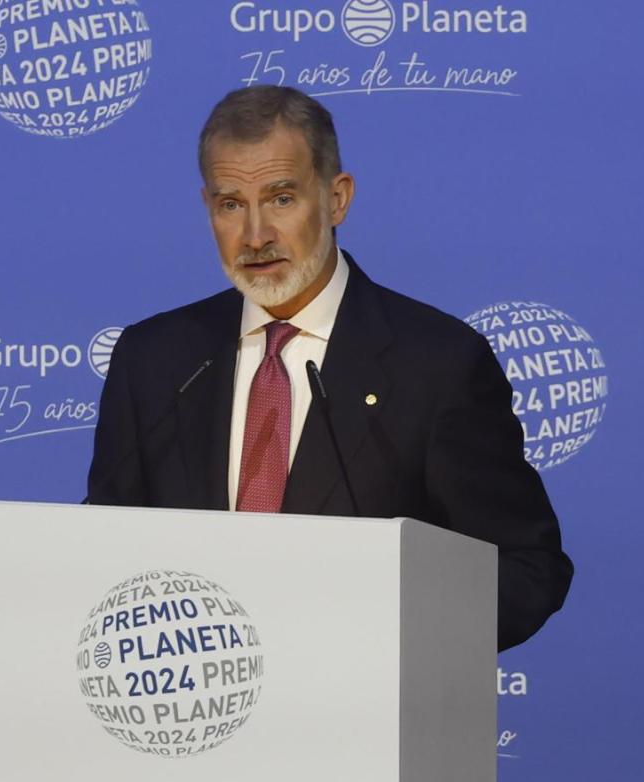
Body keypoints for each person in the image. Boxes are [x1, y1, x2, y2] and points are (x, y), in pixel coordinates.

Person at [86, 85, 571, 651]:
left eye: (282, 198)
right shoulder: (154, 360)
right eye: (231, 204)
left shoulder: (437, 365)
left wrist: (397, 637)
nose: (255, 235)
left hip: (363, 717)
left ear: (337, 198)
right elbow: (103, 556)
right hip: (191, 718)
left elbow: (526, 567)